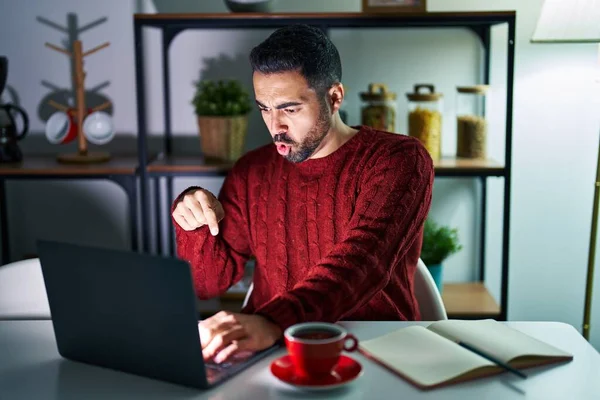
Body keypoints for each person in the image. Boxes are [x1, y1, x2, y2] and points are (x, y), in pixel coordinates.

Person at [171, 24, 434, 364]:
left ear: (335, 97)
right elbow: (207, 285)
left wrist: (272, 321)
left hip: (375, 350)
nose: (274, 126)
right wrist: (192, 218)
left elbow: (361, 263)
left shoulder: (398, 159)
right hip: (272, 352)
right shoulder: (252, 171)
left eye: (289, 109)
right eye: (264, 108)